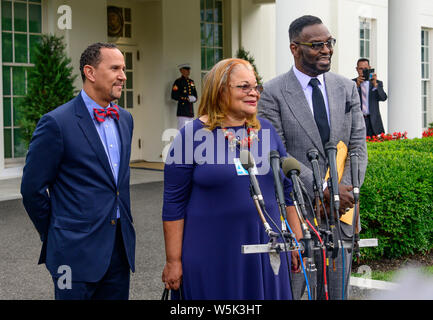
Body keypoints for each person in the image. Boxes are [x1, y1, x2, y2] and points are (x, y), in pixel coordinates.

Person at [161, 58, 304, 299]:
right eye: (244, 87)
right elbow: (174, 203)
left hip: (266, 249)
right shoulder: (192, 135)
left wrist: (296, 240)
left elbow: (287, 191)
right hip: (213, 251)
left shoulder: (266, 131)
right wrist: (173, 260)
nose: (254, 93)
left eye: (256, 87)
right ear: (220, 90)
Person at [258, 15, 368, 300]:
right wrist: (321, 189)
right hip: (298, 212)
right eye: (317, 45)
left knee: (335, 294)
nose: (327, 50)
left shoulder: (346, 88)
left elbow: (357, 146)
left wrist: (344, 192)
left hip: (341, 210)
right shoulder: (272, 93)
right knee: (293, 293)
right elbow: (276, 152)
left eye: (329, 43)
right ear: (295, 48)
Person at [20, 42, 136, 300]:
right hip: (73, 255)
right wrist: (58, 232)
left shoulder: (125, 119)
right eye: (115, 68)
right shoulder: (56, 123)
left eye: (124, 68)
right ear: (90, 72)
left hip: (119, 250)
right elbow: (32, 190)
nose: (123, 76)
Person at [353, 58, 387, 137]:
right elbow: (347, 101)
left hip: (373, 121)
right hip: (358, 121)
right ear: (357, 69)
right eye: (360, 69)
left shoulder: (377, 83)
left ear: (369, 68)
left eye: (365, 69)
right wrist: (357, 86)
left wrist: (375, 85)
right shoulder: (352, 83)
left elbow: (383, 98)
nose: (363, 71)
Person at [171, 63, 198, 129]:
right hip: (182, 111)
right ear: (181, 70)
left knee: (190, 132)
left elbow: (195, 94)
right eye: (186, 70)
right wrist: (186, 98)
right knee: (182, 131)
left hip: (190, 111)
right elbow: (174, 95)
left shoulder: (191, 82)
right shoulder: (178, 82)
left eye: (189, 70)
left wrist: (194, 98)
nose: (188, 71)